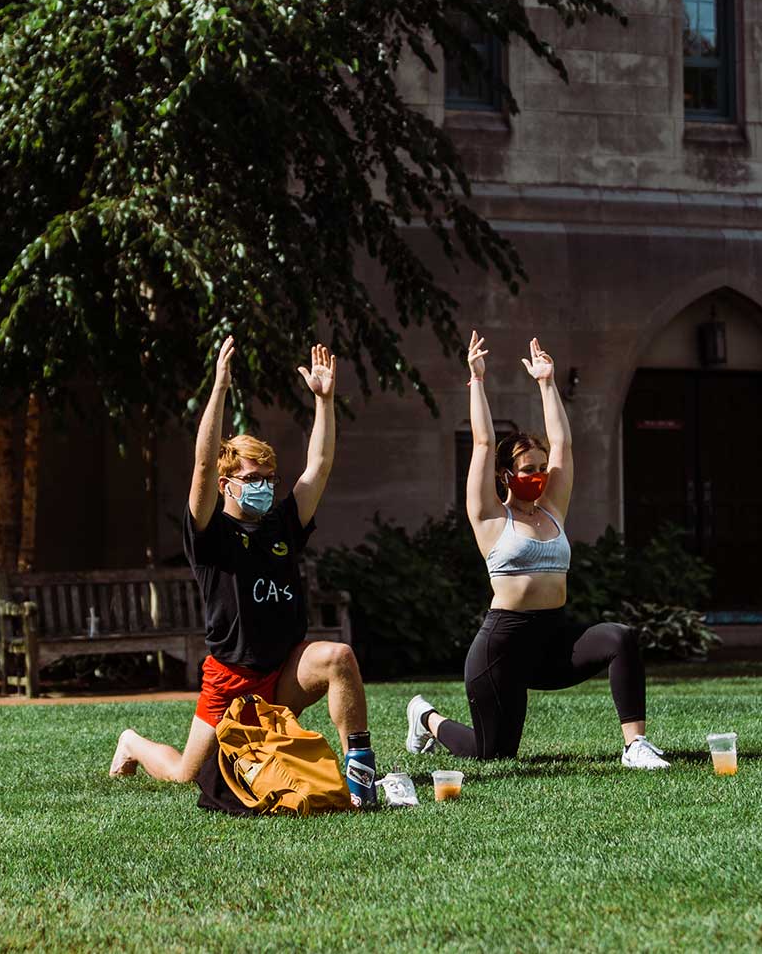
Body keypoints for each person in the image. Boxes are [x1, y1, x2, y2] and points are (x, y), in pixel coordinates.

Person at [109, 336, 378, 807]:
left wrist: (325, 400)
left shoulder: (281, 524)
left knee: (339, 658)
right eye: (253, 480)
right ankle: (132, 742)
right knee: (184, 774)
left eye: (268, 479)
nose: (264, 488)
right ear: (227, 483)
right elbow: (201, 464)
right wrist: (219, 388)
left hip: (284, 669)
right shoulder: (209, 532)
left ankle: (361, 777)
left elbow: (320, 464)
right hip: (231, 679)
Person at [405, 331, 668, 769]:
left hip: (554, 643)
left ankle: (635, 746)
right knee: (495, 754)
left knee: (621, 637)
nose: (540, 476)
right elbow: (485, 444)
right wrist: (477, 381)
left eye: (543, 469)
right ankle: (426, 717)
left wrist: (547, 383)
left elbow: (563, 444)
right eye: (529, 469)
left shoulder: (552, 512)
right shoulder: (490, 518)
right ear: (507, 476)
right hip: (502, 649)